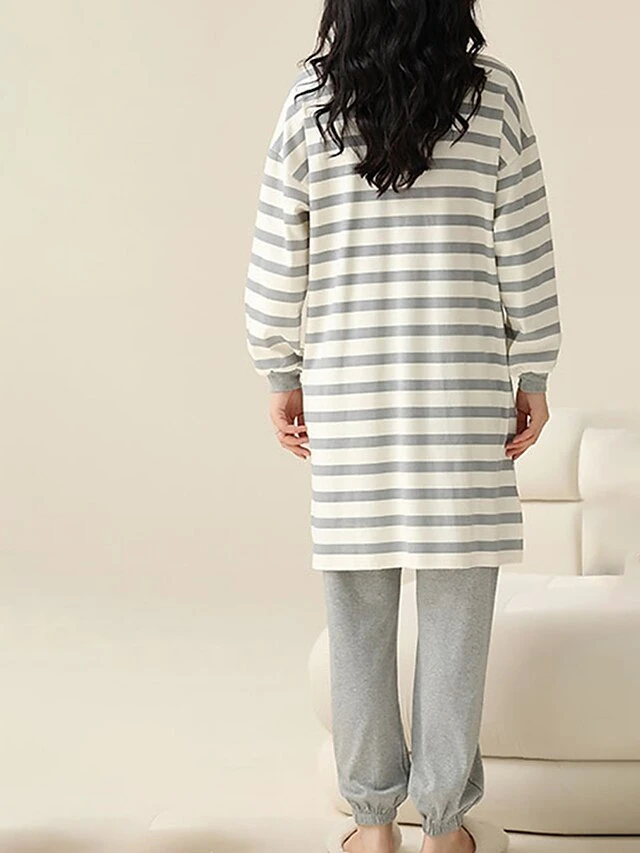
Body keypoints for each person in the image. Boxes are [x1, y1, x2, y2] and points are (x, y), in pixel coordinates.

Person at [244, 1, 562, 851]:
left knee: (356, 621)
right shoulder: (493, 95)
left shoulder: (310, 102)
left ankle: (373, 825)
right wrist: (533, 367)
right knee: (457, 623)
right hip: (462, 396)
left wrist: (281, 370)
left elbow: (278, 253)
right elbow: (524, 245)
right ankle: (445, 829)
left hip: (350, 399)